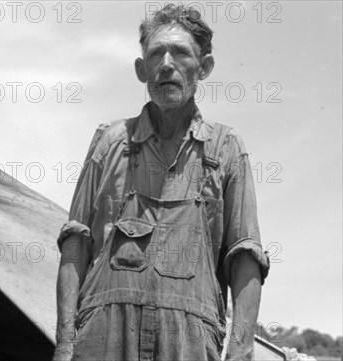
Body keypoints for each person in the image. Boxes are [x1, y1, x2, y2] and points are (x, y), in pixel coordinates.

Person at [53, 4, 270, 361]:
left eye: (181, 52)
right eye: (156, 54)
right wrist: (63, 345)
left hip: (188, 342)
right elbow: (75, 243)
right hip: (104, 337)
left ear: (204, 67)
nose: (167, 63)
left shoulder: (227, 148)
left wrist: (241, 351)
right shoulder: (110, 142)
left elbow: (245, 257)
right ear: (142, 70)